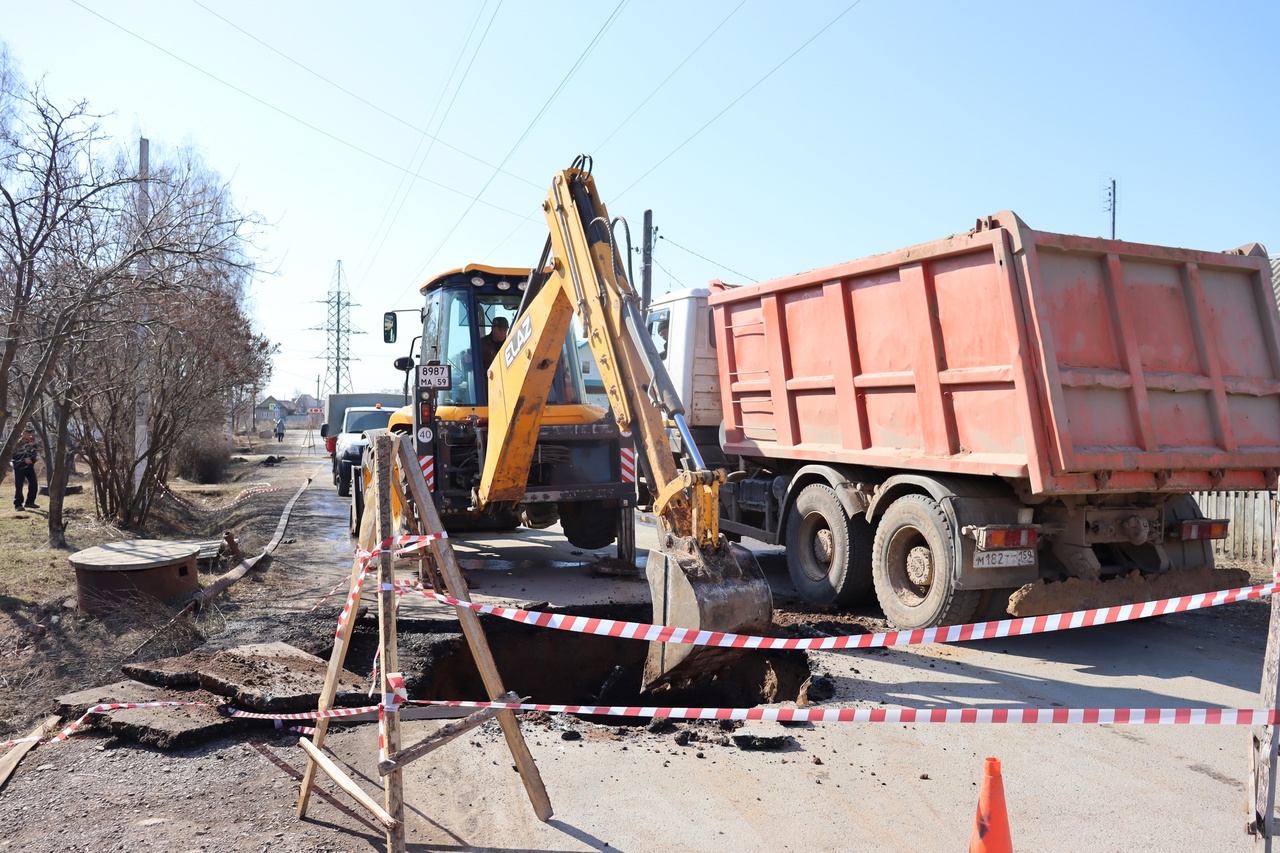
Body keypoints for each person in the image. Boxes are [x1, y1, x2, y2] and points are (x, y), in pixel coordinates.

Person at [11, 426, 38, 511]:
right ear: (22, 432)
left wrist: (33, 459)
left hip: (29, 466)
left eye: (28, 433)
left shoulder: (31, 441)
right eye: (25, 432)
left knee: (33, 483)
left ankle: (30, 502)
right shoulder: (16, 442)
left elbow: (34, 451)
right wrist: (23, 460)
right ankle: (18, 505)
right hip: (19, 466)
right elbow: (12, 455)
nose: (27, 434)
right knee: (19, 486)